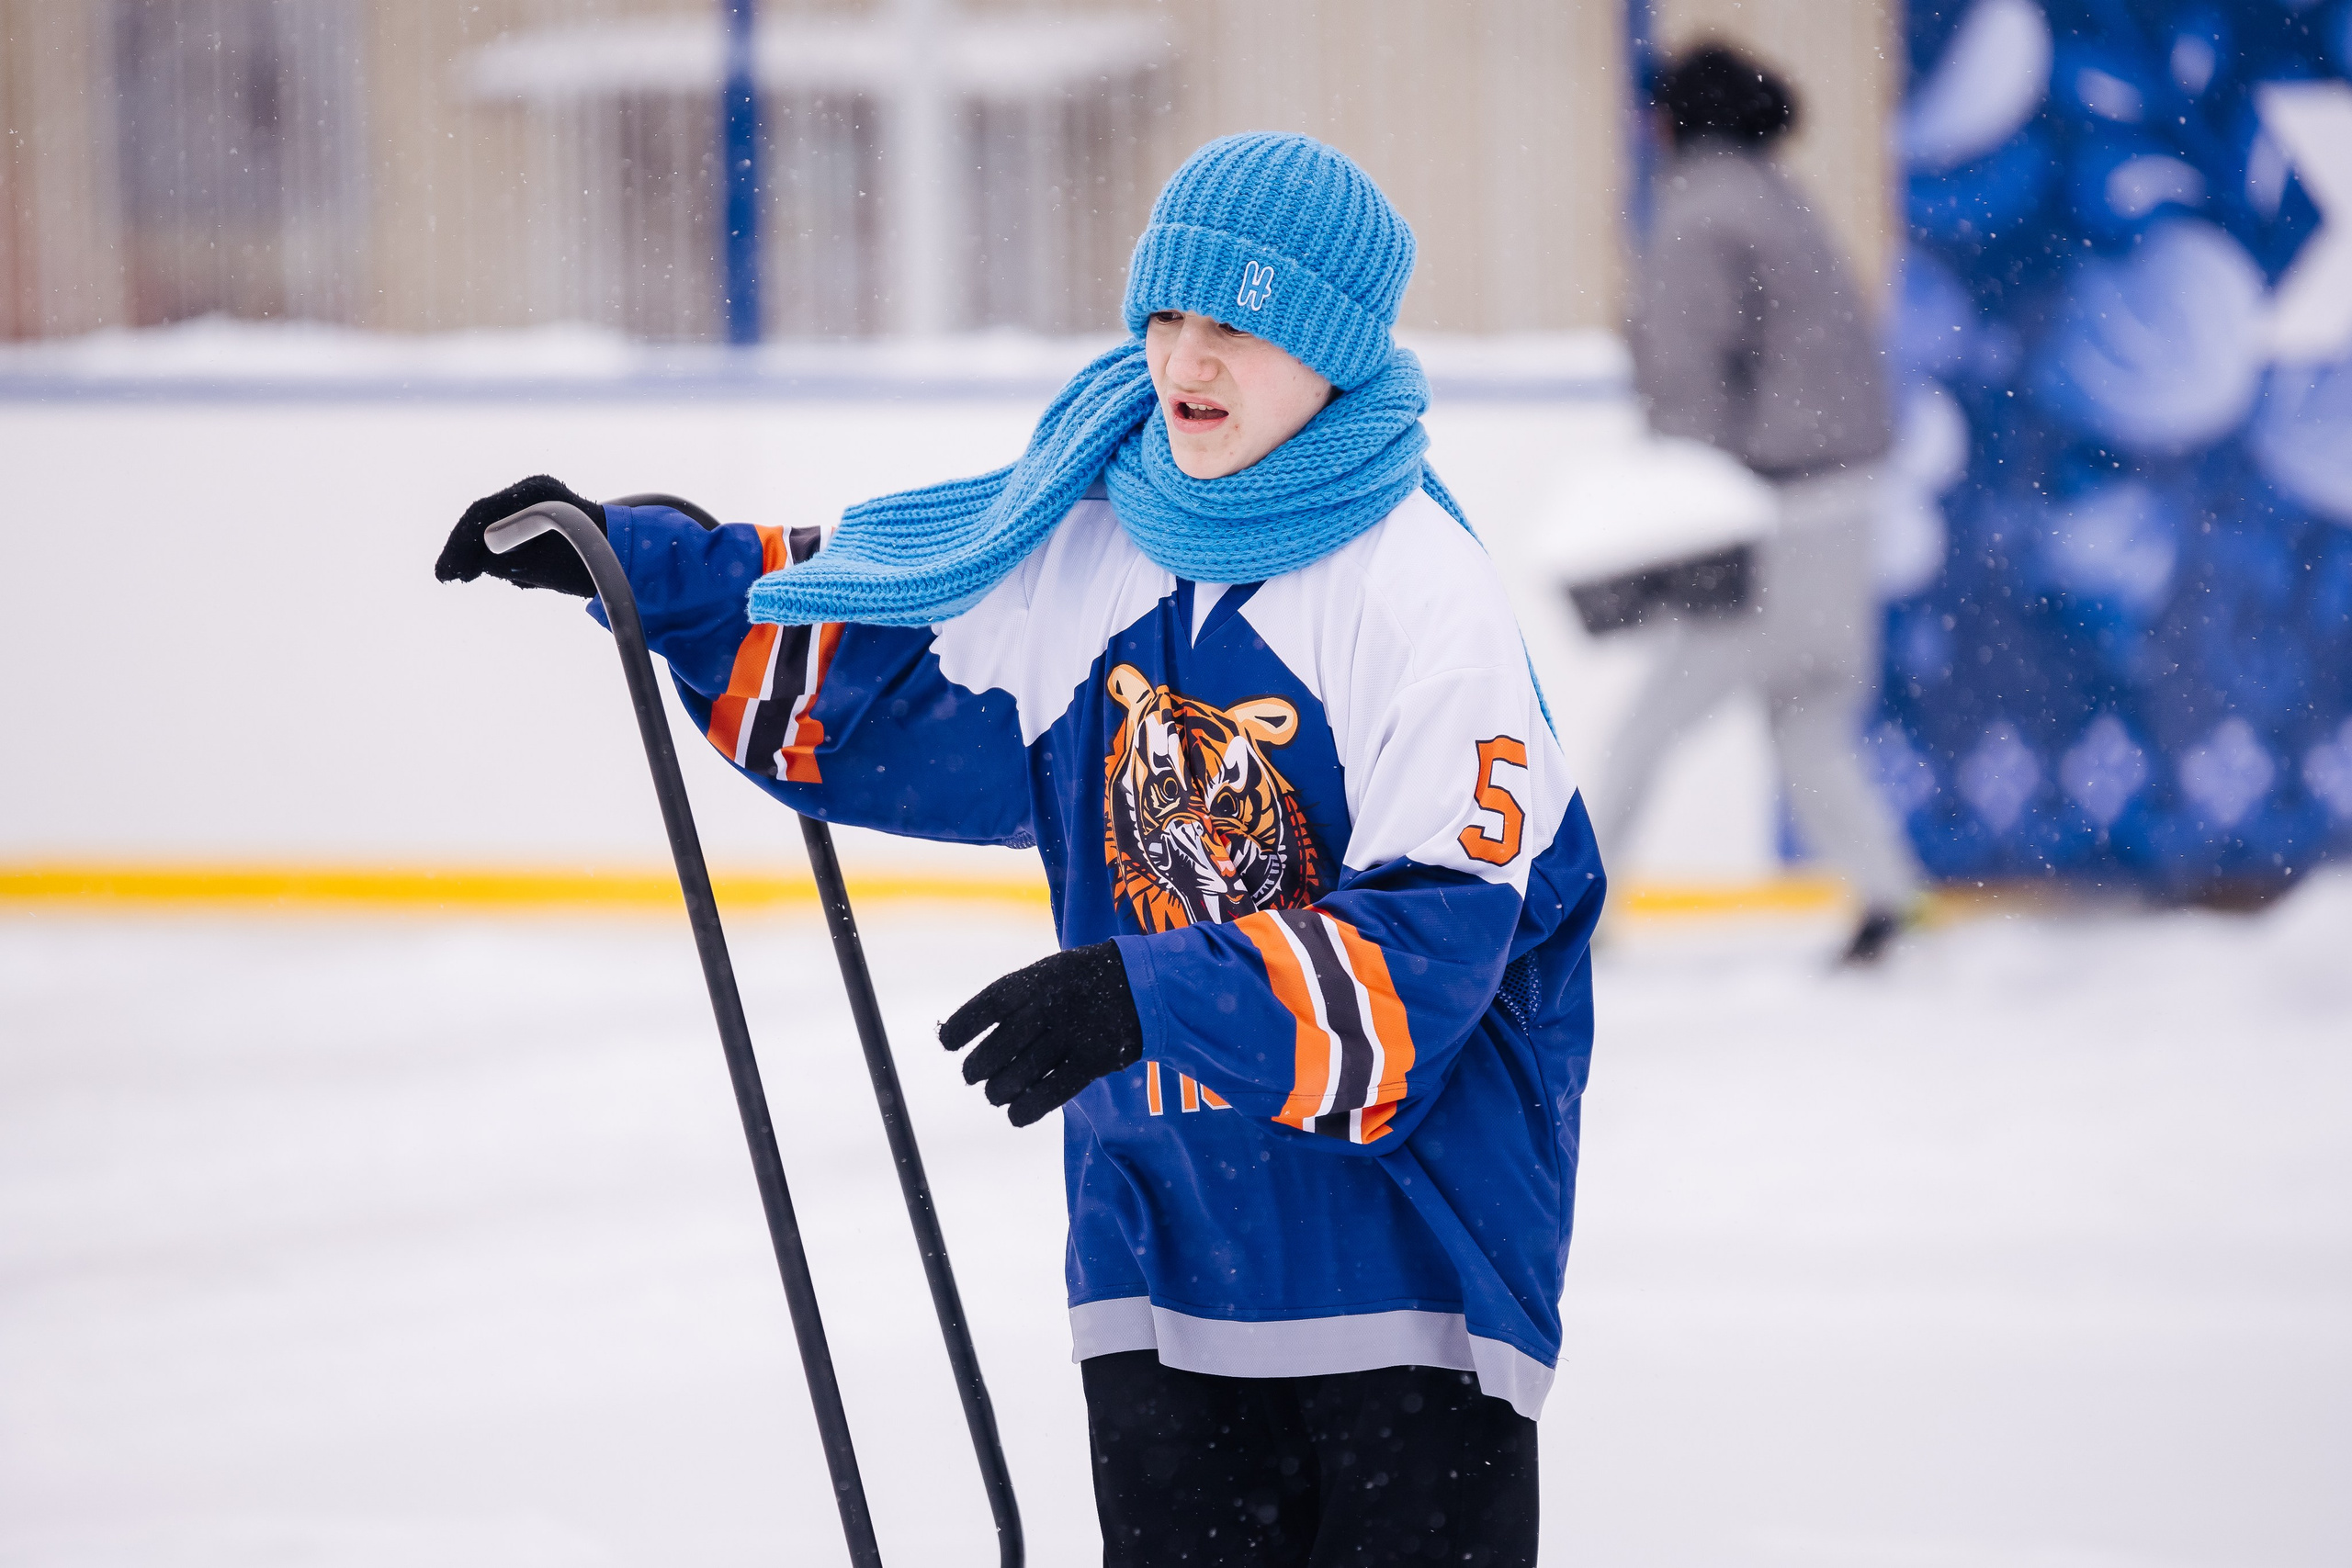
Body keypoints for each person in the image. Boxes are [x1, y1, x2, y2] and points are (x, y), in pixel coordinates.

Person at [437, 132, 1603, 1567]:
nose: (1188, 356)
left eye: (1237, 324)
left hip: (1411, 1283)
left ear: (1332, 350)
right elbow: (883, 653)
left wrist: (1138, 994)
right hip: (1161, 1254)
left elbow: (1434, 952)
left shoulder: (1423, 588)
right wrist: (642, 566)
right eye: (1169, 315)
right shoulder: (1094, 536)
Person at [1616, 43, 1927, 964]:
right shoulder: (1777, 199)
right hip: (1841, 508)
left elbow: (1683, 379)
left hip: (1771, 519)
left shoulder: (1699, 213)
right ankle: (1888, 899)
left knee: (1646, 725)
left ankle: (1562, 919)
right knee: (1810, 720)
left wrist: (1674, 509)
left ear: (1675, 120)